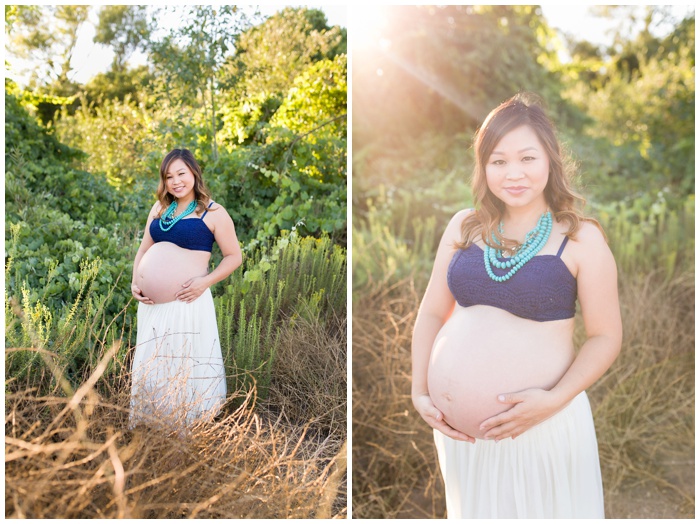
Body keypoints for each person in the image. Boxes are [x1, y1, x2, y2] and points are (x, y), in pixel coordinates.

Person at [411, 93, 622, 518]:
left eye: (527, 158)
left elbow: (605, 337)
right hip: (463, 442)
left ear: (550, 160)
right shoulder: (464, 227)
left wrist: (554, 399)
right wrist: (420, 390)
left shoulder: (580, 239)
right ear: (483, 166)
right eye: (498, 161)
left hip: (541, 427)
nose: (514, 174)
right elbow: (432, 312)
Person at [130, 148, 242, 429]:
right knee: (155, 366)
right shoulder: (159, 210)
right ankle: (152, 428)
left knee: (182, 366)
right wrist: (136, 281)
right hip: (153, 307)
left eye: (181, 173)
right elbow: (144, 248)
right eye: (169, 176)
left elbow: (234, 256)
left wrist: (204, 282)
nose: (176, 181)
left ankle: (185, 432)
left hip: (187, 303)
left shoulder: (213, 212)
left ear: (194, 172)